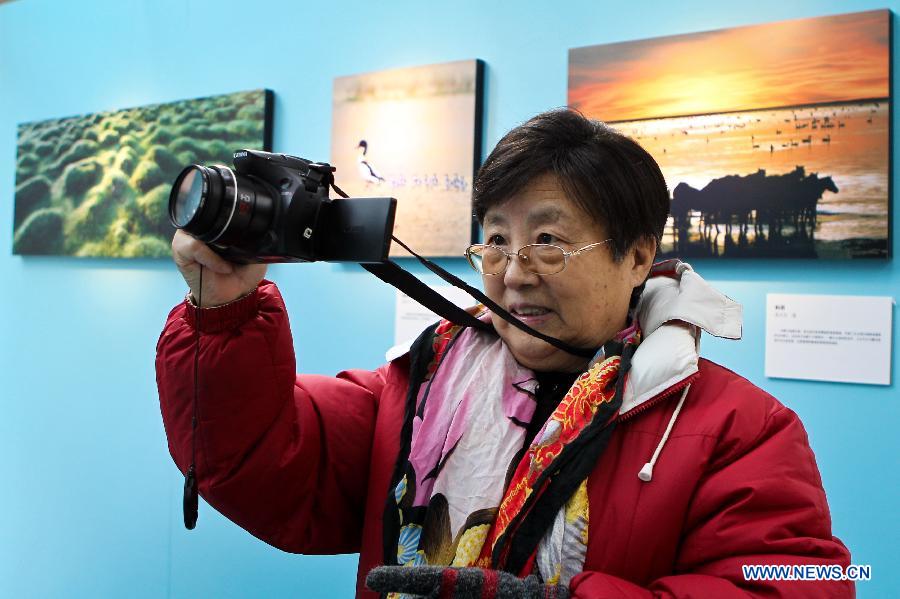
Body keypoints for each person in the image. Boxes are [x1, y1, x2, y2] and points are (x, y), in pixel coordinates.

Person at [157, 109, 852, 598]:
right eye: (494, 238)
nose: (514, 270)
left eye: (548, 240)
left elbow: (804, 583)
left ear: (638, 255)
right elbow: (261, 459)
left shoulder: (739, 430)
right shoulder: (418, 388)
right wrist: (222, 311)